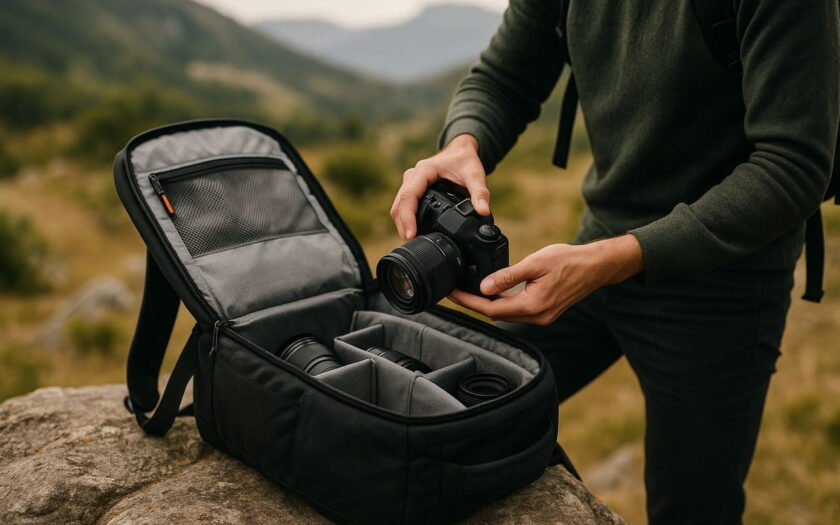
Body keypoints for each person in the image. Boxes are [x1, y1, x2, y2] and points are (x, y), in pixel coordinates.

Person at [389, 1, 840, 523]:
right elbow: (504, 78)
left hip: (723, 283)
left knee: (693, 508)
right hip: (598, 243)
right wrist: (462, 142)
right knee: (459, 415)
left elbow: (793, 164)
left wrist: (612, 259)